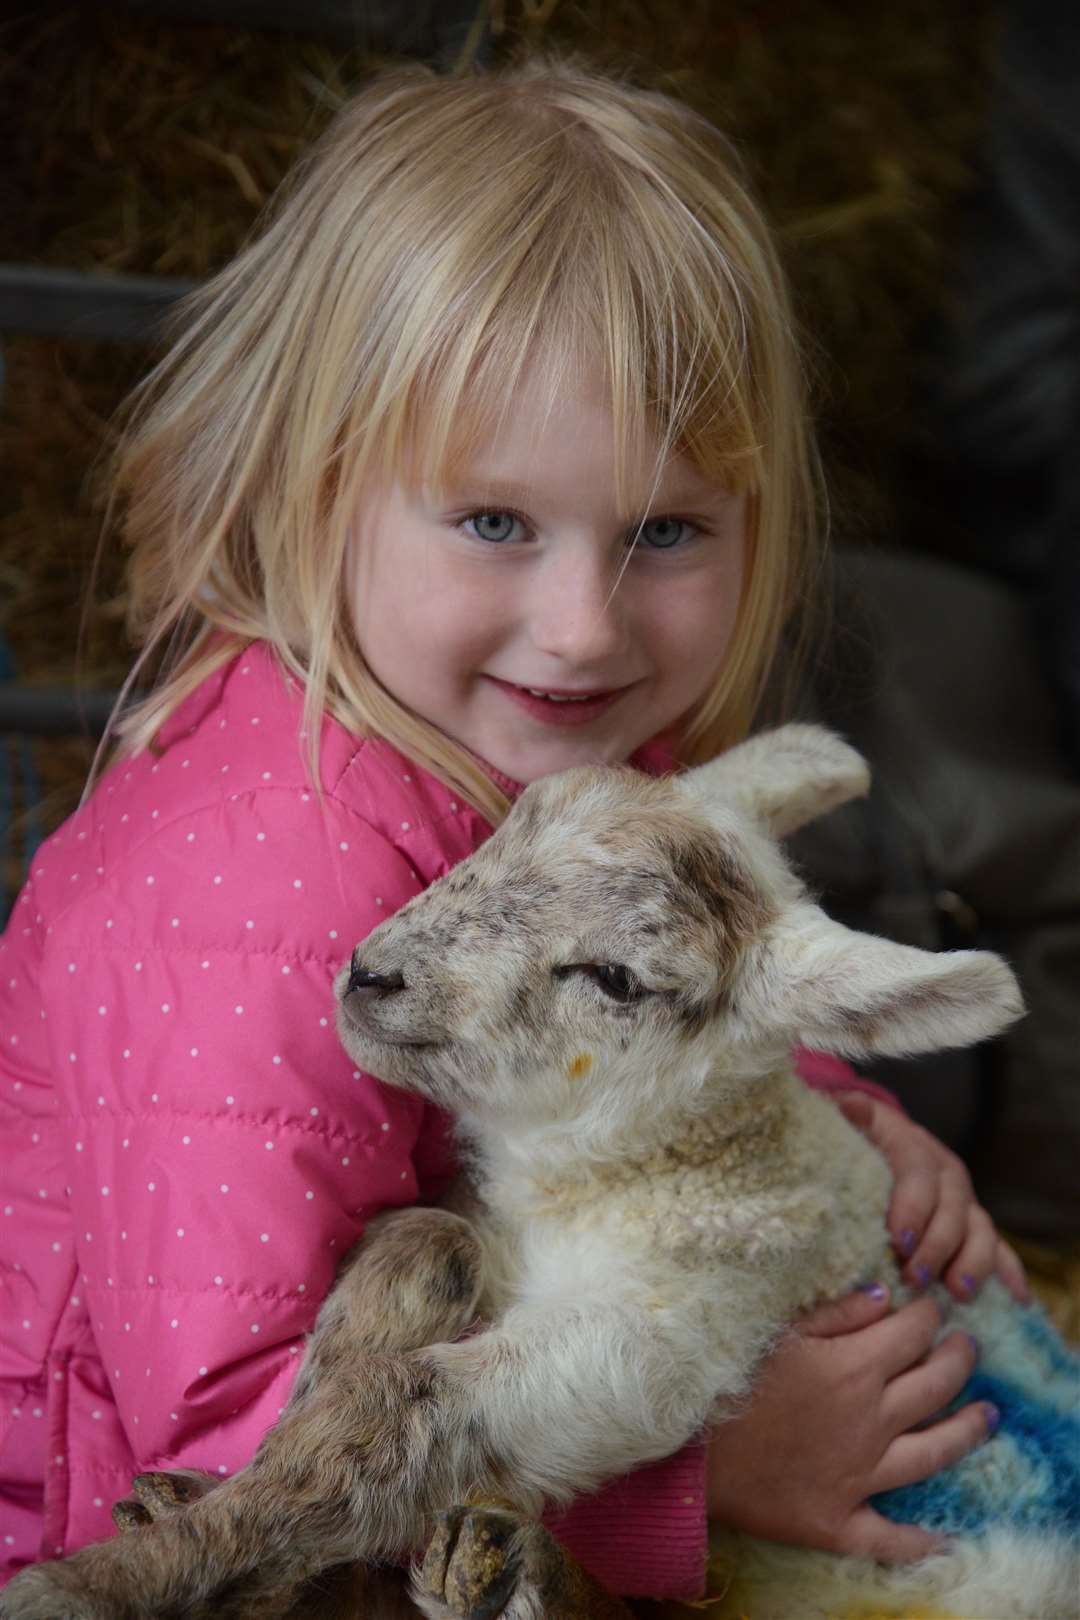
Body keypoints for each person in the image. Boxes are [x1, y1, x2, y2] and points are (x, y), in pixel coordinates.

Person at [0, 55, 1030, 1601]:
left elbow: (651, 987)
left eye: (668, 531)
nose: (583, 629)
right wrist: (706, 1470)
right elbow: (221, 1425)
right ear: (314, 481)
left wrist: (835, 1115)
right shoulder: (255, 889)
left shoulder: (550, 745)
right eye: (496, 523)